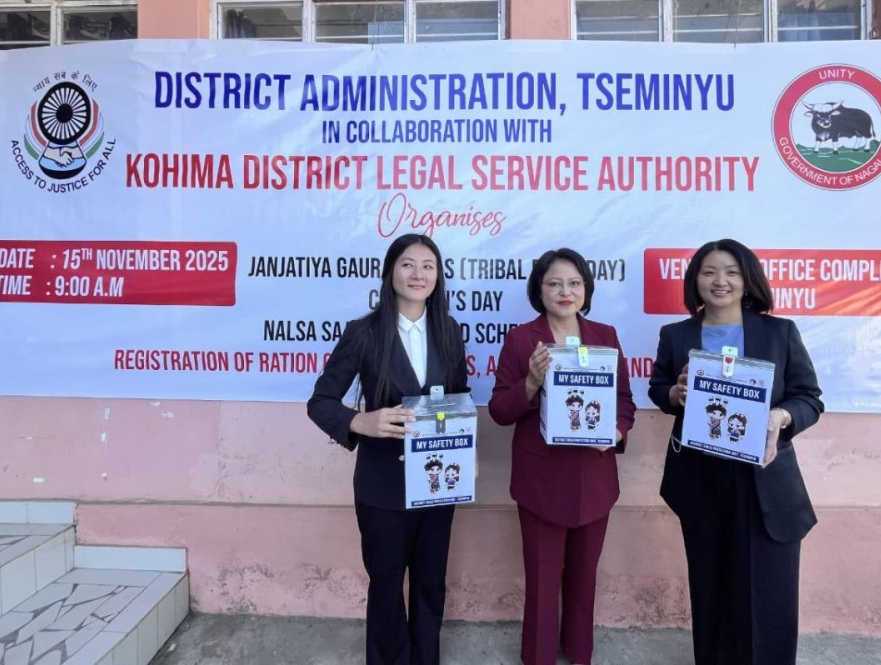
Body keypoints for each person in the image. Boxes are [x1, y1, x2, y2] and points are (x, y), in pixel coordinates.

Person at [647, 238, 824, 665]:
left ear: (748, 281)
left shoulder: (778, 332)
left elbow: (809, 399)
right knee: (711, 586)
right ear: (695, 281)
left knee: (769, 593)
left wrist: (778, 417)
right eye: (709, 272)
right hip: (701, 479)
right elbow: (659, 390)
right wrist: (675, 392)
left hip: (764, 480)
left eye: (731, 272)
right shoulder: (676, 335)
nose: (719, 281)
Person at [307, 233, 469, 665]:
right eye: (408, 264)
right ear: (390, 272)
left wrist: (460, 453)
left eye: (428, 266)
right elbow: (320, 402)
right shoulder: (363, 333)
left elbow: (459, 398)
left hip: (438, 484)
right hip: (383, 486)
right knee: (386, 585)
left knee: (431, 583)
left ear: (438, 276)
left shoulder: (449, 331)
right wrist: (361, 421)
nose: (419, 274)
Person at [488, 247, 636, 665]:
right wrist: (531, 382)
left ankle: (579, 651)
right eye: (554, 283)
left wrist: (618, 431)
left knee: (584, 577)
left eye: (574, 283)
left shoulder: (605, 336)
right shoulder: (521, 340)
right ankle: (537, 657)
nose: (564, 291)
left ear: (586, 289)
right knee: (541, 579)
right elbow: (500, 411)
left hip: (595, 476)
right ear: (539, 290)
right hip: (541, 482)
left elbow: (624, 400)